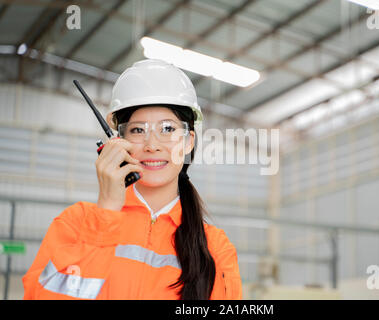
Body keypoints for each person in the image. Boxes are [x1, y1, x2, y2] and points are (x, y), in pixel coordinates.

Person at [22, 59, 242, 300]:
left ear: (188, 141)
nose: (152, 145)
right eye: (138, 130)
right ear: (117, 140)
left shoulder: (215, 247)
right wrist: (105, 215)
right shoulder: (75, 224)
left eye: (168, 129)